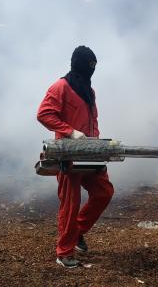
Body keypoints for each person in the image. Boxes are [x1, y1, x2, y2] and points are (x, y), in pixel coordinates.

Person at [37, 45, 114, 268]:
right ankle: (64, 253)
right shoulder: (60, 87)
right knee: (70, 203)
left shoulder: (90, 92)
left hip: (89, 154)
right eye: (89, 66)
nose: (92, 71)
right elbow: (44, 114)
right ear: (79, 64)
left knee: (104, 192)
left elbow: (93, 121)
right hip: (67, 155)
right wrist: (70, 131)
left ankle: (78, 231)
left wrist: (97, 144)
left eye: (94, 67)